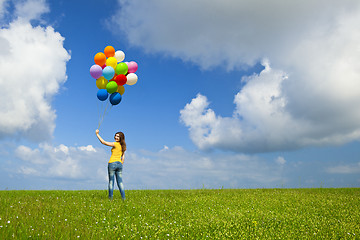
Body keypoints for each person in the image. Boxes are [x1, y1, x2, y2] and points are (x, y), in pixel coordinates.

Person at [95, 129, 126, 200]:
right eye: (115, 136)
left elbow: (103, 142)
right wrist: (121, 163)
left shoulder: (115, 144)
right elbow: (123, 156)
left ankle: (110, 199)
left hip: (112, 163)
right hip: (119, 164)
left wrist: (97, 134)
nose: (115, 137)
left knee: (111, 182)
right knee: (120, 183)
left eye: (117, 136)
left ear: (121, 137)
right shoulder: (123, 146)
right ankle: (123, 199)